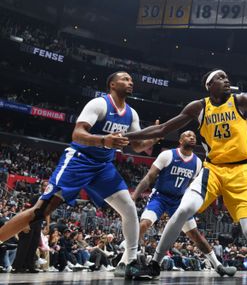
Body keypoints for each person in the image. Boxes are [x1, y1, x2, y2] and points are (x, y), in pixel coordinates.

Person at [123, 69, 247, 279]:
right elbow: (162, 129)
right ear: (209, 86)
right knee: (183, 210)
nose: (226, 80)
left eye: (227, 77)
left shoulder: (240, 101)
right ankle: (155, 263)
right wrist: (126, 136)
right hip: (213, 169)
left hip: (241, 172)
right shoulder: (199, 107)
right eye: (220, 78)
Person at [0, 71, 157, 279]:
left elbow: (138, 147)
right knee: (39, 212)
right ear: (112, 84)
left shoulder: (132, 114)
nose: (130, 82)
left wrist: (155, 136)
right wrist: (103, 141)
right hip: (79, 161)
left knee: (129, 208)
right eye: (125, 79)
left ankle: (129, 262)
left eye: (131, 80)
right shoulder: (99, 104)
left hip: (103, 167)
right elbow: (77, 134)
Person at [132, 130, 237, 277]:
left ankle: (218, 265)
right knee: (144, 224)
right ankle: (132, 257)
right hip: (160, 197)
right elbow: (149, 177)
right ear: (180, 141)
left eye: (194, 136)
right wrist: (135, 195)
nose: (192, 138)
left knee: (195, 235)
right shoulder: (168, 155)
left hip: (178, 201)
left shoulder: (198, 162)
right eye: (188, 136)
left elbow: (191, 186)